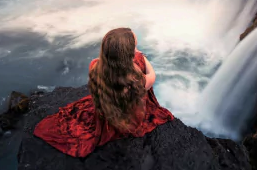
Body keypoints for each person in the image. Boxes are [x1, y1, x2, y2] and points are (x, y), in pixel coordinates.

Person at [33, 27, 174, 157]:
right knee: (140, 68)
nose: (137, 50)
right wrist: (142, 58)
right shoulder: (135, 82)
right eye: (134, 47)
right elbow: (152, 76)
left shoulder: (95, 65)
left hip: (108, 110)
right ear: (127, 55)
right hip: (128, 118)